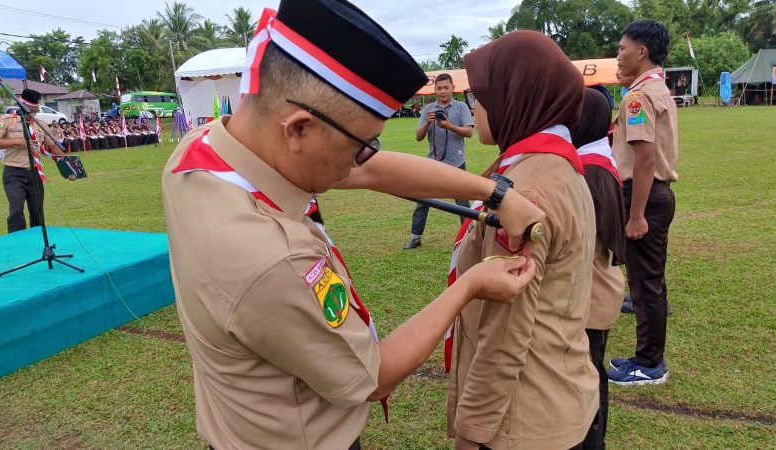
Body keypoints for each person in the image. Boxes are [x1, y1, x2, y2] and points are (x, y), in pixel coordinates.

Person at [161, 2, 546, 449]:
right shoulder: (274, 258)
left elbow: (370, 171)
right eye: (362, 144)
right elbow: (374, 376)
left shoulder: (200, 152)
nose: (363, 159)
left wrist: (496, 194)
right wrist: (469, 286)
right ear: (299, 128)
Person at [446, 31, 597, 450]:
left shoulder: (525, 192)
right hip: (559, 396)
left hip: (521, 422)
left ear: (516, 97)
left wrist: (470, 434)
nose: (475, 108)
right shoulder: (556, 165)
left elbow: (503, 337)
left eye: (483, 95)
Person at [608, 19, 678, 386]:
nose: (618, 56)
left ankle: (649, 363)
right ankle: (646, 358)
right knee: (648, 280)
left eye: (621, 48)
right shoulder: (657, 88)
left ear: (641, 52)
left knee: (645, 283)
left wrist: (635, 214)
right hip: (655, 195)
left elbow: (644, 159)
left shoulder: (638, 96)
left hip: (644, 196)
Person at [571, 89, 626, 449]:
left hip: (590, 294)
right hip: (596, 288)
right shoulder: (596, 160)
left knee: (588, 373)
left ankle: (593, 439)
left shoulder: (590, 169)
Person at [404, 73, 474, 250]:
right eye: (439, 88)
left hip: (456, 162)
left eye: (446, 88)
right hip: (432, 163)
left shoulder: (461, 107)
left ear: (452, 88)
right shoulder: (429, 109)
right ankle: (415, 237)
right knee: (422, 201)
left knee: (463, 203)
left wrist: (449, 125)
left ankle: (469, 237)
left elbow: (469, 132)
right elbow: (419, 137)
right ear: (435, 90)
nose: (443, 91)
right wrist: (428, 123)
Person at [0, 89, 69, 233]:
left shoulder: (40, 124)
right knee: (16, 211)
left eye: (36, 110)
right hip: (14, 173)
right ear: (22, 106)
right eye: (31, 110)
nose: (34, 113)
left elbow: (52, 147)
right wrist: (18, 142)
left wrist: (69, 168)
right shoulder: (7, 121)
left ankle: (37, 242)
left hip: (35, 173)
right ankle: (16, 243)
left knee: (37, 212)